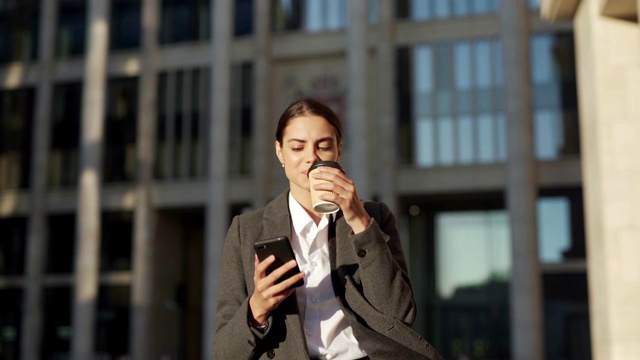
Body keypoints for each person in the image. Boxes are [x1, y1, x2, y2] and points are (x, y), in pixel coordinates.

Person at [213, 98, 442, 360]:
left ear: (339, 151)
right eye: (297, 147)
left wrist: (359, 220)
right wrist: (258, 307)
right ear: (280, 153)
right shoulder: (247, 230)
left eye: (323, 146)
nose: (311, 157)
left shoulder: (374, 217)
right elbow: (224, 352)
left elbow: (400, 314)